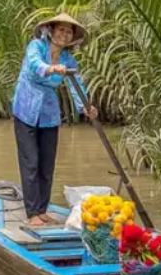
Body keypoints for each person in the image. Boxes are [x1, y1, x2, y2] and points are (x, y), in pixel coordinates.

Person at [11, 12, 99, 227]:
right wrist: (51, 68)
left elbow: (76, 84)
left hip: (49, 114)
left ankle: (42, 209)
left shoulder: (68, 59)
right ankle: (32, 212)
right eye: (61, 30)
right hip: (26, 109)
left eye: (69, 32)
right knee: (30, 162)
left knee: (46, 165)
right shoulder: (36, 47)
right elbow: (34, 66)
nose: (65, 35)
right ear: (50, 31)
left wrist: (86, 108)